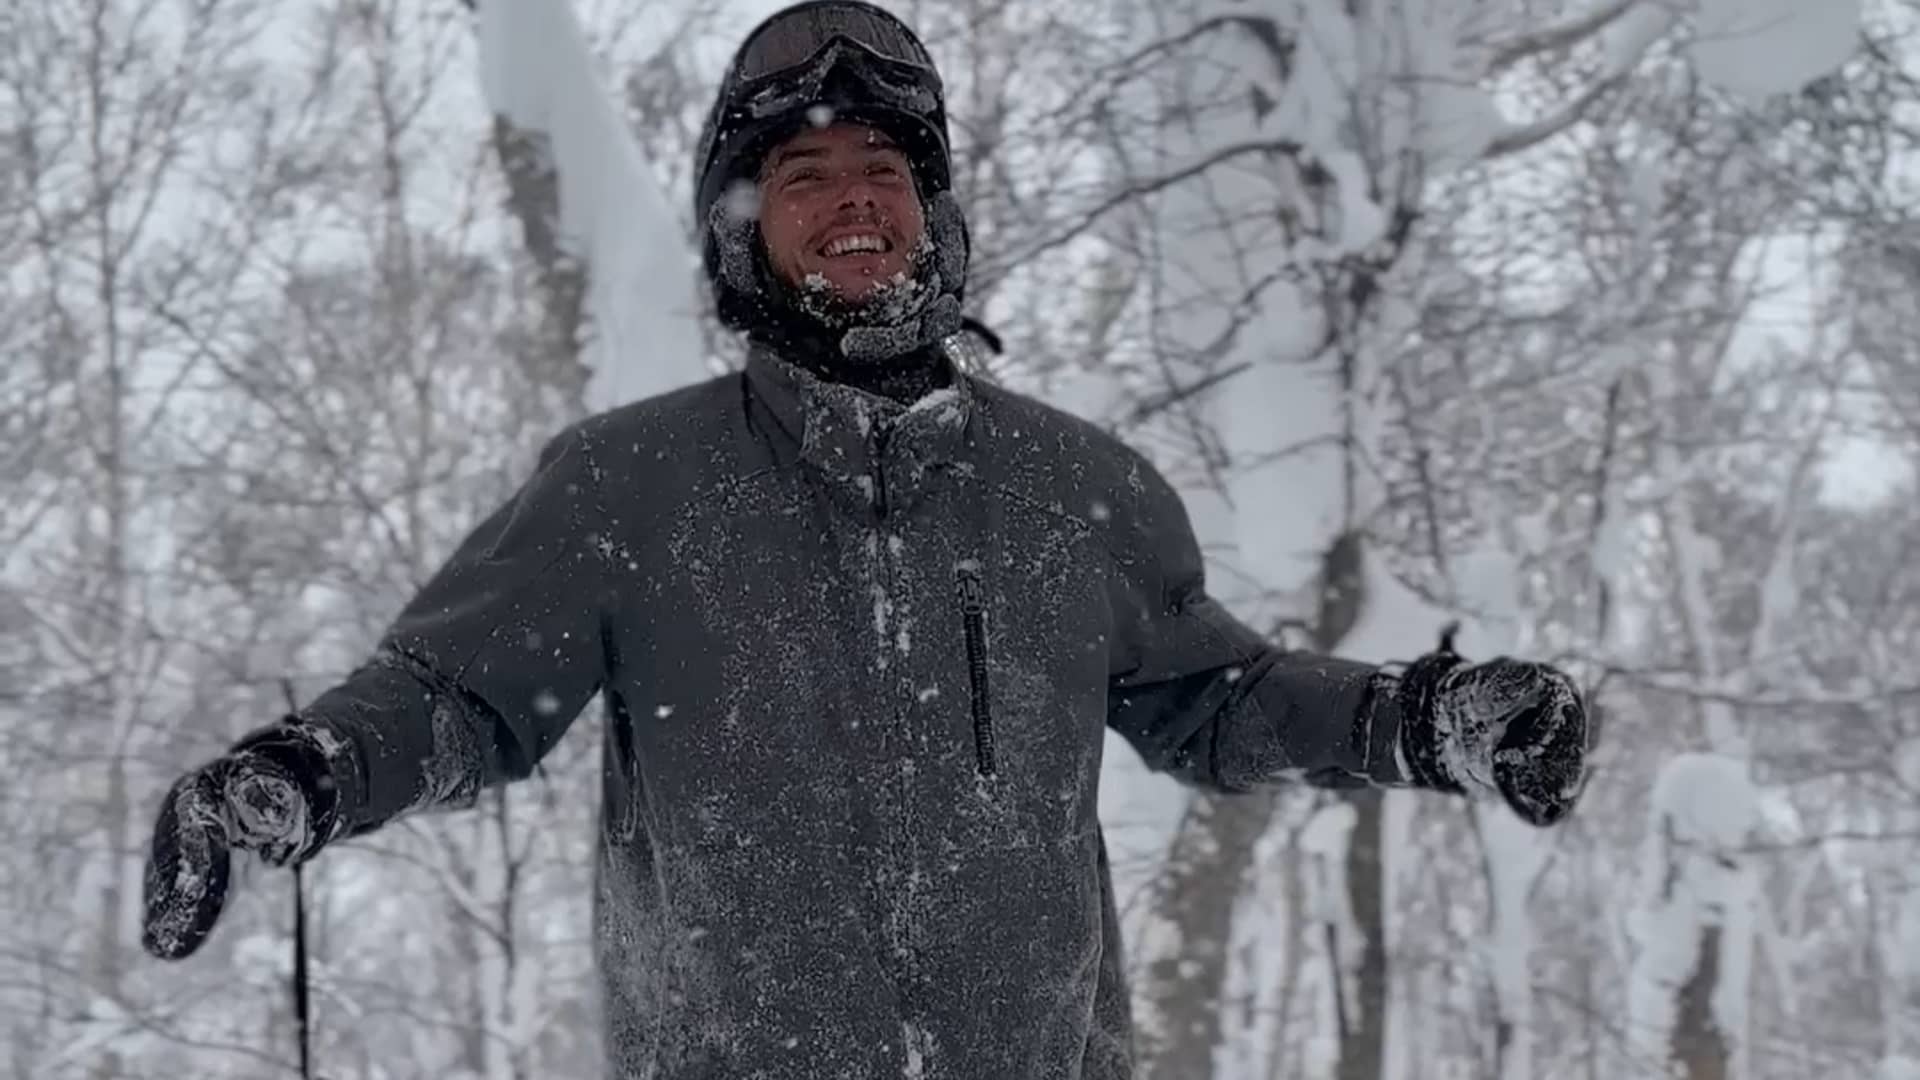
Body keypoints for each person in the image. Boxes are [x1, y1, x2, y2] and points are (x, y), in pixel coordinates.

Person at [140, 3, 1591, 1077]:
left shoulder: (1070, 490)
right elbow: (458, 696)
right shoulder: (629, 488)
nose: (853, 199)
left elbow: (1216, 702)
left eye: (884, 167)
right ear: (744, 234)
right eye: (804, 175)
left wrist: (1422, 720)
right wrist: (303, 775)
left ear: (933, 215)